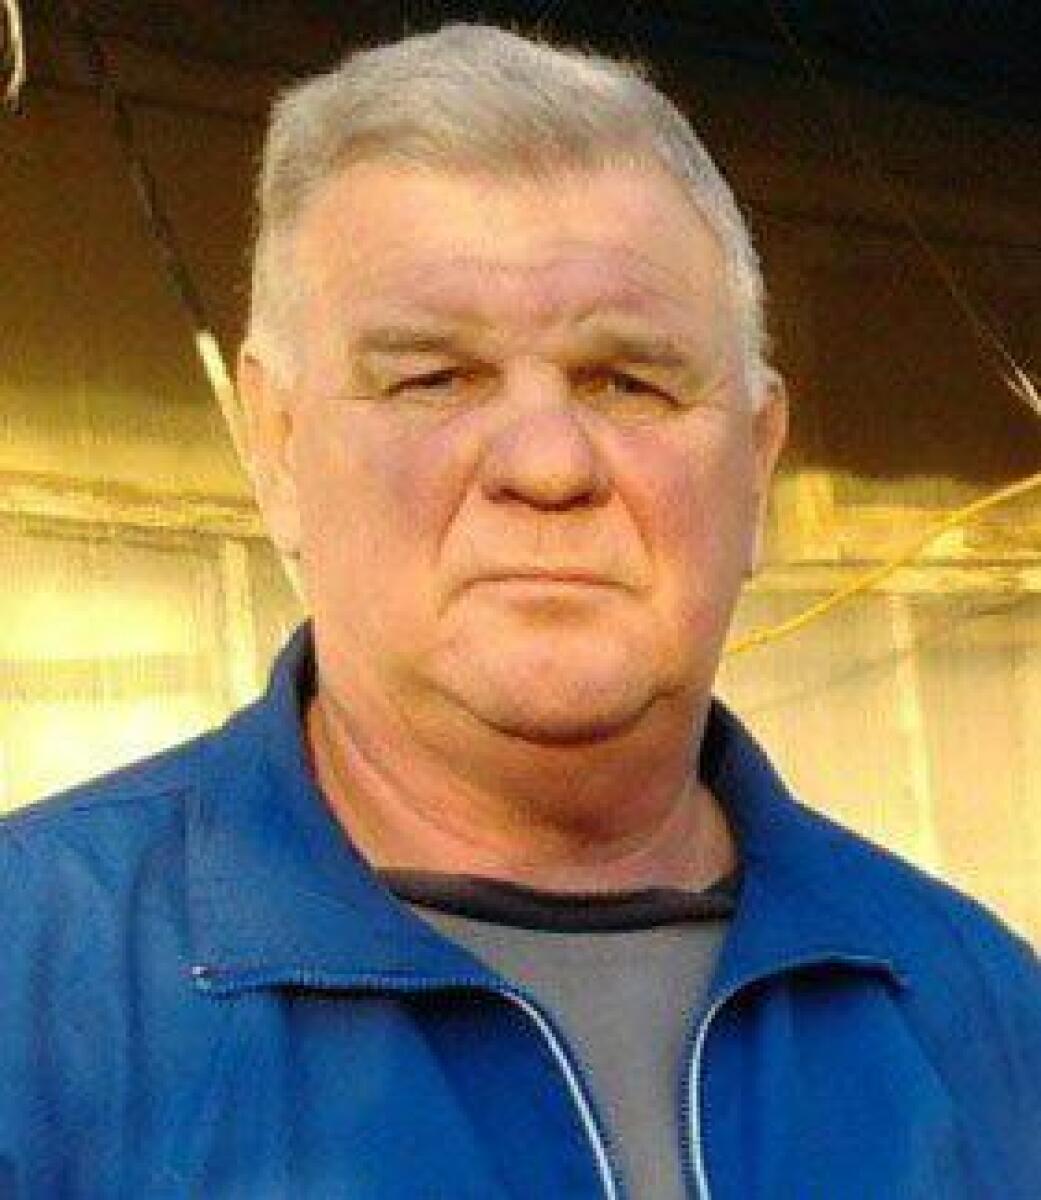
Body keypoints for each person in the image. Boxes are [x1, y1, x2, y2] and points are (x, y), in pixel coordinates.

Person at [1, 23, 1039, 1200]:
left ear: (756, 462)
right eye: (434, 378)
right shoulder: (32, 997)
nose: (549, 465)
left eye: (629, 382)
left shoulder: (978, 1011)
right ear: (276, 444)